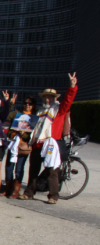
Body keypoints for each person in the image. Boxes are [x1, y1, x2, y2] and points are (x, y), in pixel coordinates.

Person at [19, 73, 78, 203]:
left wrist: (72, 86)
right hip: (38, 144)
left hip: (51, 144)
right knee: (33, 170)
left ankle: (53, 196)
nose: (47, 100)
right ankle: (29, 192)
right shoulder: (40, 111)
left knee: (52, 171)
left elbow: (68, 100)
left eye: (50, 98)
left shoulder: (59, 109)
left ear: (54, 99)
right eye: (45, 97)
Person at [4, 94, 34, 198]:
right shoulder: (17, 114)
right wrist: (10, 104)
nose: (27, 105)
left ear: (33, 105)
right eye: (26, 103)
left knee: (19, 168)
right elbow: (7, 117)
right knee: (9, 167)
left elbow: (33, 135)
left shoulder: (34, 117)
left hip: (23, 146)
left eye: (30, 104)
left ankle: (15, 191)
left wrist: (24, 134)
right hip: (13, 144)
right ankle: (8, 189)